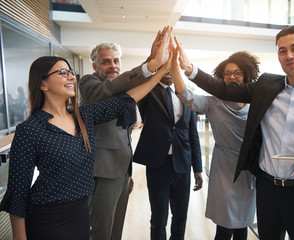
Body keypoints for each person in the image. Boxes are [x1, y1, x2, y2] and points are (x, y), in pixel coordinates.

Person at [176, 25, 294, 240]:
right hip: (267, 192)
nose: (289, 55)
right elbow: (224, 89)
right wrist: (189, 69)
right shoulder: (266, 85)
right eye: (282, 50)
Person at [0, 48, 172, 239]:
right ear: (43, 84)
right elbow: (17, 194)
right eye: (62, 73)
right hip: (47, 220)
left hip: (80, 218)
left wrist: (161, 72)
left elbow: (128, 99)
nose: (71, 77)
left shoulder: (83, 117)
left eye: (71, 72)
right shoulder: (29, 129)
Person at [79, 26, 172, 240]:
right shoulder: (89, 84)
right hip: (101, 173)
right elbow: (110, 89)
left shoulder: (122, 88)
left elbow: (125, 136)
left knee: (116, 231)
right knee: (101, 232)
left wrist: (128, 174)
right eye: (106, 61)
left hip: (121, 173)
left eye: (116, 61)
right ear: (94, 65)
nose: (113, 65)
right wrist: (151, 64)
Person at [171, 45, 259, 240]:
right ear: (221, 76)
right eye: (227, 73)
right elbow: (186, 96)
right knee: (225, 226)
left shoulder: (257, 102)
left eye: (237, 73)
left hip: (248, 170)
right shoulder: (214, 102)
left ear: (246, 75)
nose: (232, 77)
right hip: (224, 170)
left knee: (242, 224)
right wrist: (175, 65)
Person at [133, 48, 203, 240]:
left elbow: (193, 134)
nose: (171, 72)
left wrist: (197, 168)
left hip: (183, 166)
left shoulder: (186, 96)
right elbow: (139, 79)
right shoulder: (148, 93)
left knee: (180, 217)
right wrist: (154, 61)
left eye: (174, 68)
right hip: (158, 165)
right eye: (167, 68)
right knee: (159, 219)